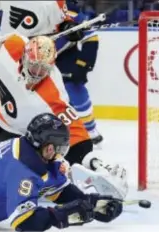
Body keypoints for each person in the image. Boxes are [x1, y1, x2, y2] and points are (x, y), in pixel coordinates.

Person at [0, 33, 128, 199]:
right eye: (34, 66)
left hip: (18, 133)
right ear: (24, 56)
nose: (37, 74)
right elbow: (6, 40)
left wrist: (92, 160)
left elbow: (77, 133)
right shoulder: (11, 48)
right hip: (0, 115)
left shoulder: (53, 95)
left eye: (43, 69)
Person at [56, 3, 103, 146]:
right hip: (39, 57)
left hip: (65, 58)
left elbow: (91, 38)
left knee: (75, 91)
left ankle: (90, 129)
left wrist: (83, 64)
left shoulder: (70, 11)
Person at [0, 0, 84, 55]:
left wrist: (69, 27)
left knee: (39, 95)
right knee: (8, 94)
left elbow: (61, 22)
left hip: (40, 52)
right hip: (9, 49)